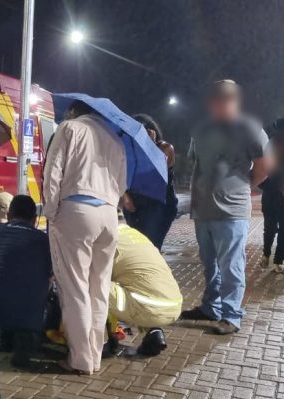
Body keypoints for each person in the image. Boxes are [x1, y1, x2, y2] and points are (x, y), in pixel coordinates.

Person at [180, 80, 271, 335]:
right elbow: (195, 164)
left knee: (231, 264)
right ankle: (211, 307)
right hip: (203, 209)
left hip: (231, 211)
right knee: (209, 262)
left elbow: (264, 166)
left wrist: (244, 187)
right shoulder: (201, 130)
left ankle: (231, 315)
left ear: (235, 100)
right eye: (216, 98)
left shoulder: (249, 129)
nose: (220, 103)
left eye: (226, 98)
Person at [43, 100, 127, 375]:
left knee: (75, 288)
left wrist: (51, 212)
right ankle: (95, 355)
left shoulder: (69, 128)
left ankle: (80, 360)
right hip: (108, 215)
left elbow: (52, 173)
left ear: (73, 112)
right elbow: (122, 183)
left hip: (76, 211)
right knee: (98, 288)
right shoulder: (115, 140)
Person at [0, 194, 52, 368]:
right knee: (43, 291)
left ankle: (5, 340)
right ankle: (25, 345)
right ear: (34, 218)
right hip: (28, 311)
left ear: (9, 214)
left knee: (5, 283)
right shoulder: (43, 240)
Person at [106, 224, 183, 357]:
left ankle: (104, 342)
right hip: (173, 305)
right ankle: (154, 332)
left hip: (148, 308)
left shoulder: (106, 238)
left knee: (90, 286)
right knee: (138, 290)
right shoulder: (131, 233)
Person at [121, 114, 177, 250]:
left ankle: (153, 270)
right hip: (134, 205)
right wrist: (125, 196)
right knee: (137, 247)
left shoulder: (165, 148)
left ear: (152, 131)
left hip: (158, 206)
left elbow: (157, 172)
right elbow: (121, 175)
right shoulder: (129, 151)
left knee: (151, 247)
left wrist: (149, 146)